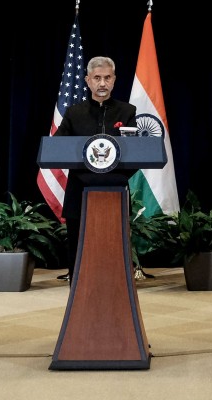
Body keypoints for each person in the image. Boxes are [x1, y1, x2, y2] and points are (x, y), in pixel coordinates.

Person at [53, 56, 137, 276]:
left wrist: (114, 176)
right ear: (88, 80)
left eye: (107, 78)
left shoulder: (127, 111)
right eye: (97, 78)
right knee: (78, 247)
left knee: (113, 247)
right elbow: (57, 147)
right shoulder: (74, 113)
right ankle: (77, 288)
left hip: (115, 190)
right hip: (79, 190)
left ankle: (115, 288)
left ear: (114, 80)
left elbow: (136, 153)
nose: (102, 83)